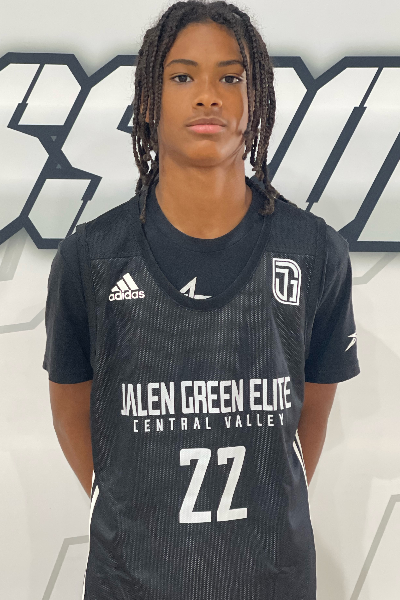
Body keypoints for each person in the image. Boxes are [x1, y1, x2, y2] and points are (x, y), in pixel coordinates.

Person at [43, 1, 360, 598]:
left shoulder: (314, 250)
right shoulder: (93, 256)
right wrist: (134, 516)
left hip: (272, 578)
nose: (208, 96)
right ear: (148, 100)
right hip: (132, 580)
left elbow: (311, 410)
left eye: (231, 78)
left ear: (256, 99)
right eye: (183, 76)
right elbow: (69, 408)